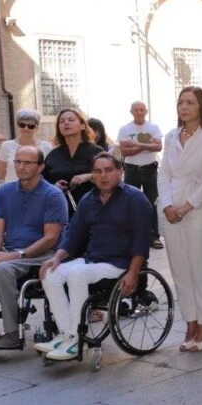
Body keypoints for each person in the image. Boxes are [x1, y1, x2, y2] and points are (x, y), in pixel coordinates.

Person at [34, 153, 151, 361]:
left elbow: (142, 240)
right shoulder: (89, 199)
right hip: (92, 260)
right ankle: (66, 335)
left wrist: (134, 273)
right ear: (92, 175)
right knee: (50, 273)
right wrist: (56, 258)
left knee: (77, 274)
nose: (103, 175)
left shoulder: (135, 198)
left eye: (108, 170)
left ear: (120, 172)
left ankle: (77, 338)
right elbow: (73, 234)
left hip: (120, 263)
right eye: (98, 171)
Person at [0, 145, 67, 349]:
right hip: (9, 252)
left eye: (27, 163)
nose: (21, 167)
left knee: (3, 269)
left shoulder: (53, 195)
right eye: (18, 162)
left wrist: (15, 256)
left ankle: (11, 333)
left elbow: (51, 238)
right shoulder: (3, 192)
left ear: (41, 167)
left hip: (41, 254)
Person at [158, 86, 202, 352]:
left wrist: (186, 206)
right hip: (170, 210)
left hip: (199, 209)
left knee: (200, 270)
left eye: (190, 102)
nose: (184, 107)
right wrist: (166, 205)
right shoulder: (171, 136)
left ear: (201, 107)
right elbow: (163, 173)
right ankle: (191, 323)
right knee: (180, 272)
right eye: (180, 102)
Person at [118, 101, 164, 249]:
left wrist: (136, 145)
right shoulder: (125, 129)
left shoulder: (153, 127)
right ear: (131, 112)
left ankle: (154, 236)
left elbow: (158, 147)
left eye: (141, 109)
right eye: (136, 110)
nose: (139, 112)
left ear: (146, 111)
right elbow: (124, 151)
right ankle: (133, 235)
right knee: (131, 202)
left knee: (153, 202)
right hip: (132, 170)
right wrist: (146, 145)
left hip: (150, 169)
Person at [44, 108, 105, 216]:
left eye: (71, 120)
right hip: (60, 211)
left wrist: (89, 176)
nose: (66, 123)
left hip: (93, 210)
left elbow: (111, 176)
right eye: (62, 121)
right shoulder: (52, 155)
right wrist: (53, 186)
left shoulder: (96, 151)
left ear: (82, 126)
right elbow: (43, 182)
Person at [0, 109, 53, 183]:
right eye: (22, 125)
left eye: (31, 126)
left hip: (37, 188)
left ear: (37, 128)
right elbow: (1, 173)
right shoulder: (6, 145)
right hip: (13, 188)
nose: (26, 128)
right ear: (18, 126)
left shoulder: (46, 147)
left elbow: (50, 171)